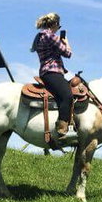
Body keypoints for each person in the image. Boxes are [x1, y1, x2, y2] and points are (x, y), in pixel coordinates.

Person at [31, 12, 76, 143]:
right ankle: (62, 130)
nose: (58, 28)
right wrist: (66, 42)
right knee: (67, 96)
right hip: (52, 72)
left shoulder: (40, 36)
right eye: (58, 26)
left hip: (45, 72)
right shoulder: (50, 36)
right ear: (55, 24)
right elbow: (68, 53)